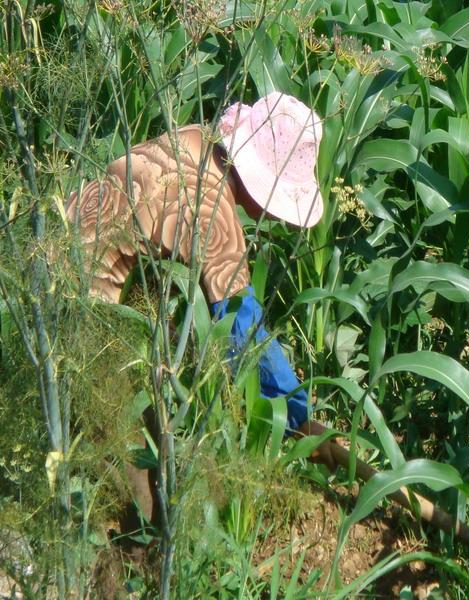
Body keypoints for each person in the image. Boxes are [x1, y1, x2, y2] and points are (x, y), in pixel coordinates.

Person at [67, 93, 334, 524]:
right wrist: (299, 419)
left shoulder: (190, 140)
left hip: (53, 266)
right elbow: (242, 334)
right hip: (89, 321)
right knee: (143, 482)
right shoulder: (217, 218)